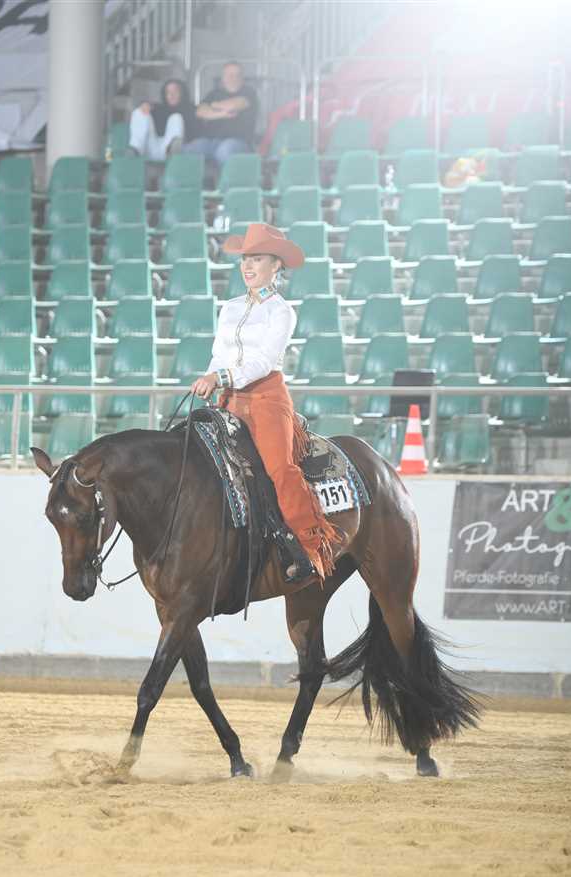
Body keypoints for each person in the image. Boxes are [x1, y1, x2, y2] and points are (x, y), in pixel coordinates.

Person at [190, 223, 344, 584]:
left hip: (266, 398)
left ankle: (310, 548)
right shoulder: (229, 308)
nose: (247, 266)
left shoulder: (281, 312)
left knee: (280, 469)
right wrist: (210, 376)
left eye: (256, 259)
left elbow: (262, 361)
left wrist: (221, 377)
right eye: (245, 259)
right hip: (228, 398)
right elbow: (219, 353)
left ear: (276, 265)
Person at [183, 61, 258, 170]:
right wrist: (221, 114)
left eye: (238, 75)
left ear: (242, 78)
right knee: (189, 149)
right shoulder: (214, 93)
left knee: (224, 151)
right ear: (223, 78)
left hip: (239, 142)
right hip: (211, 141)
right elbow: (200, 111)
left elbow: (233, 105)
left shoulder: (249, 92)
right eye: (230, 75)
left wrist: (213, 105)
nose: (234, 78)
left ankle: (225, 181)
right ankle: (195, 180)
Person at [128, 78, 195, 161]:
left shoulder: (191, 110)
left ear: (182, 93)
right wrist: (144, 105)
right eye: (168, 92)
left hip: (172, 152)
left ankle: (172, 151)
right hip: (152, 148)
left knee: (176, 117)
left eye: (175, 91)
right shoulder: (157, 108)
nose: (171, 95)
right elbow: (142, 117)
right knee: (140, 111)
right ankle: (135, 149)